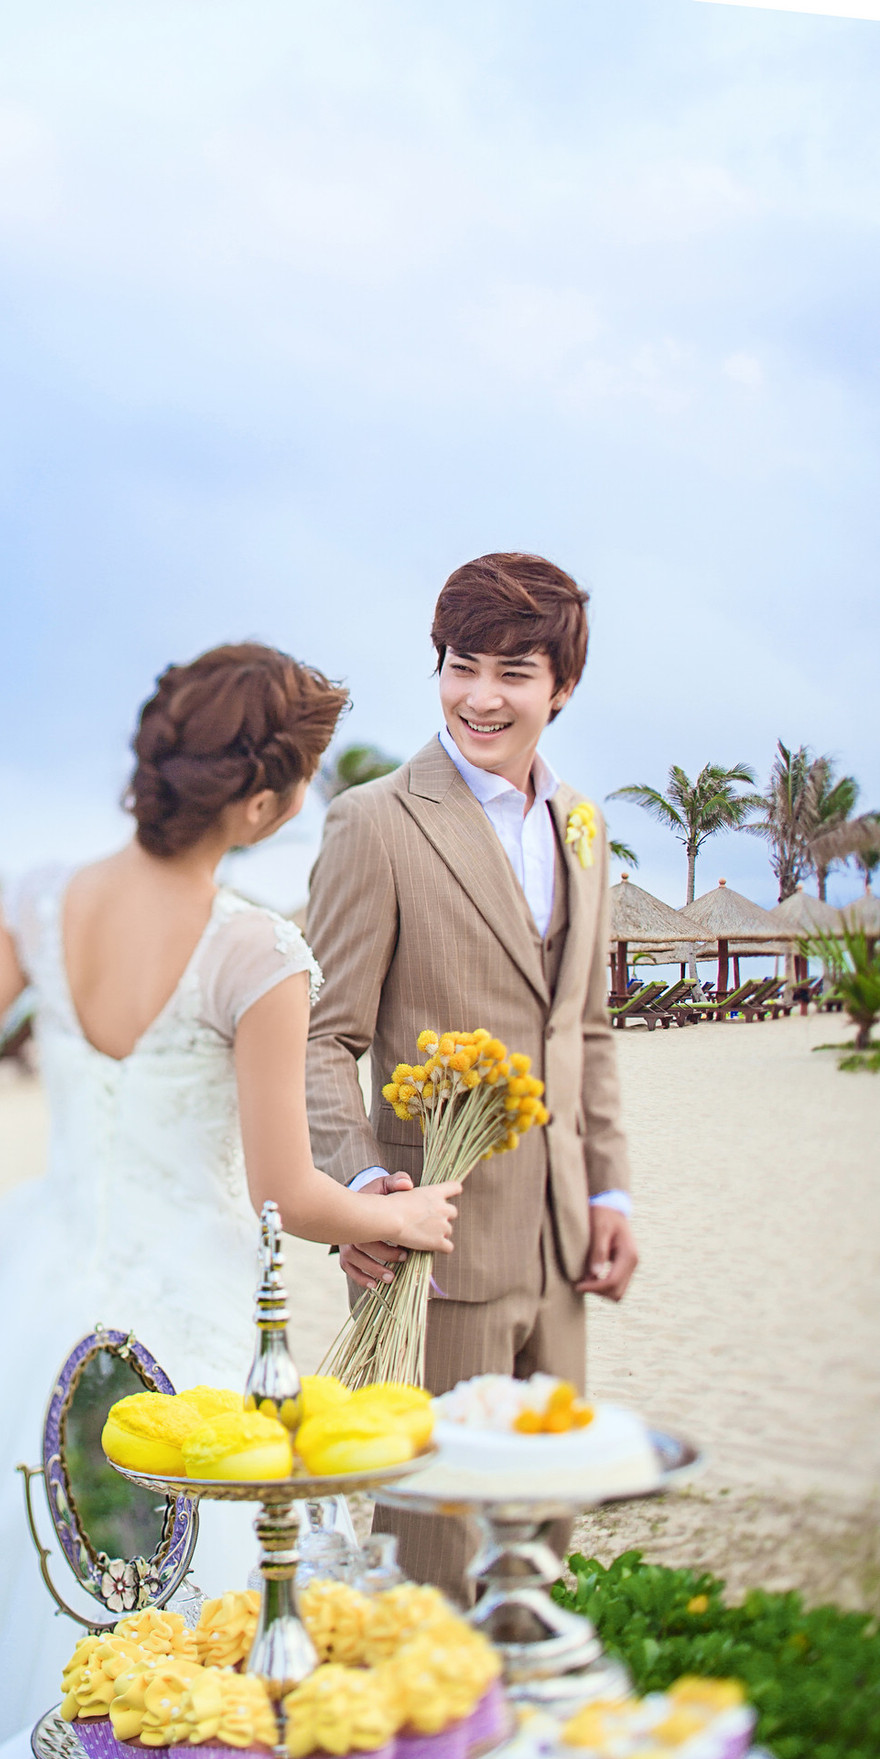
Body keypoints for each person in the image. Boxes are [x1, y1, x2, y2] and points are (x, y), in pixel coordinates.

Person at [0, 644, 461, 1759]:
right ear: (260, 803)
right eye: (300, 775)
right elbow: (286, 1194)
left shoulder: (36, 900)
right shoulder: (258, 949)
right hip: (188, 1317)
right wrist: (403, 1216)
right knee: (203, 1599)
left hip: (34, 1286)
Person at [304, 553, 638, 1602]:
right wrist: (362, 1194)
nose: (481, 696)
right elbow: (323, 1038)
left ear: (562, 687)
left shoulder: (583, 824)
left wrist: (611, 1193)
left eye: (514, 672)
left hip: (564, 1249)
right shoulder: (374, 821)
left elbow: (585, 1028)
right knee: (436, 1563)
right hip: (435, 1252)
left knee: (541, 1542)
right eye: (461, 665)